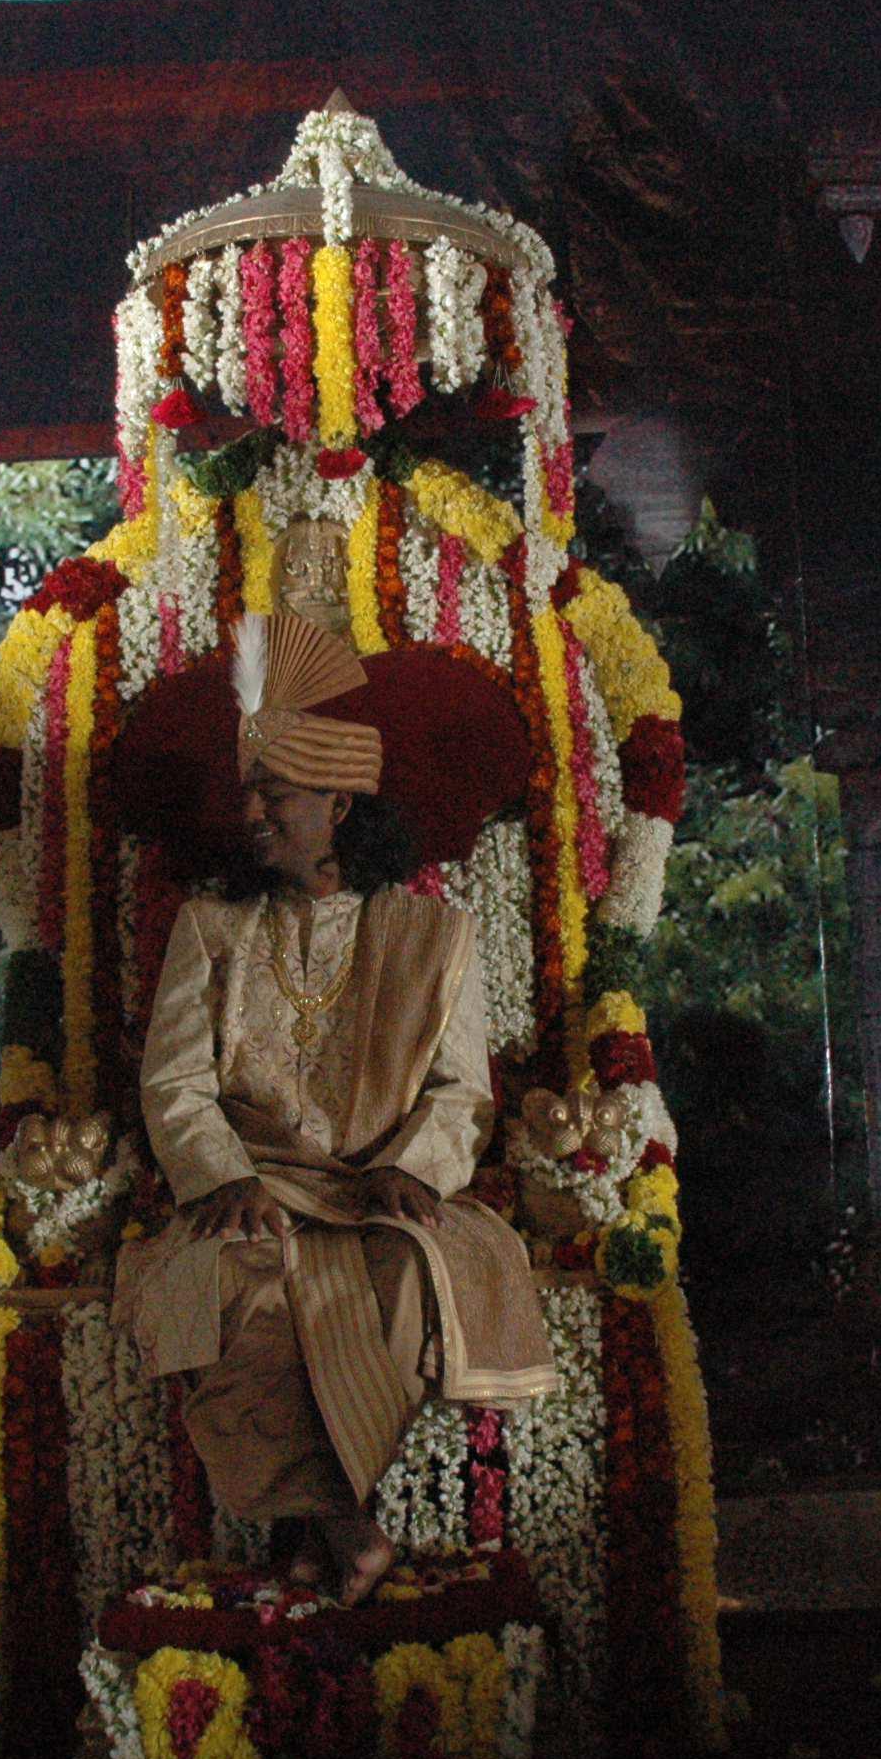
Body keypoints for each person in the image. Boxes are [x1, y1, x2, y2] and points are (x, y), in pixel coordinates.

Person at [113, 614, 554, 1604]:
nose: (252, 815)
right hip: (253, 1188)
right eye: (249, 794)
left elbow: (461, 1090)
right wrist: (222, 1176)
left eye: (274, 794)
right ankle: (351, 1528)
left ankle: (312, 1537)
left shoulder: (434, 936)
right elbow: (174, 1081)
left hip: (377, 1194)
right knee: (240, 1286)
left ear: (339, 807)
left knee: (406, 1280)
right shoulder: (211, 927)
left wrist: (412, 1167)